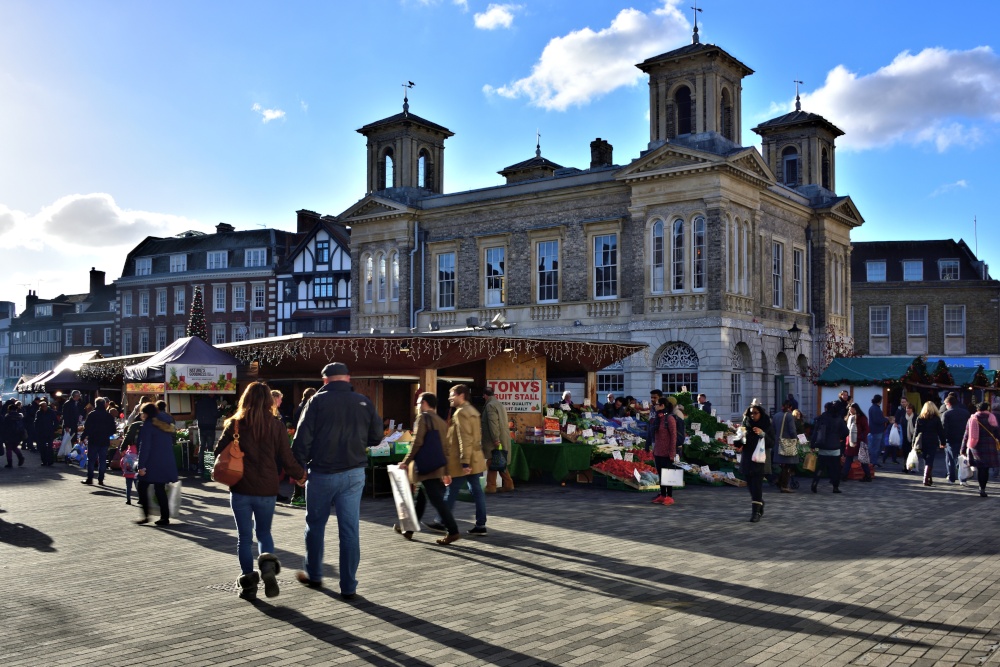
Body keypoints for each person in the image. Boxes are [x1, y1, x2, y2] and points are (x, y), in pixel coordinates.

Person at [291, 362, 382, 597]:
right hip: (354, 473)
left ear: (324, 380)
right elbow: (377, 437)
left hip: (322, 473)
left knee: (315, 526)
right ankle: (349, 586)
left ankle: (314, 574)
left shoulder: (316, 402)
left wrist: (299, 470)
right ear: (348, 378)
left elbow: (301, 441)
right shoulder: (364, 401)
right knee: (350, 531)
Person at [215, 382, 306, 601]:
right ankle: (267, 565)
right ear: (268, 400)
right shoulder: (276, 425)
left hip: (240, 488)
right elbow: (286, 456)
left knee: (244, 538)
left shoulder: (235, 424)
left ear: (245, 399)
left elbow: (218, 453)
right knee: (264, 533)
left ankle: (248, 583)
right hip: (267, 488)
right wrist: (300, 475)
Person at [395, 392, 460, 544]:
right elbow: (446, 448)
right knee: (421, 499)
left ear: (424, 403)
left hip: (425, 467)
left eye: (418, 403)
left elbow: (417, 442)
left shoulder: (423, 418)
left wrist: (406, 461)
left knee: (437, 501)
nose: (416, 406)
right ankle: (409, 529)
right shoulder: (441, 421)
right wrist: (446, 470)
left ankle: (453, 531)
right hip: (436, 466)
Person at [434, 384, 488, 536]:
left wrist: (465, 462)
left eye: (452, 395)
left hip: (463, 460)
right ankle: (481, 525)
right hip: (475, 458)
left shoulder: (461, 413)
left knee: (452, 490)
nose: (449, 398)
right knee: (477, 491)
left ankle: (441, 521)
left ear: (461, 396)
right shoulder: (473, 411)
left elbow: (465, 439)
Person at [136, 402, 179, 526]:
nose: (141, 416)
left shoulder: (148, 425)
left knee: (142, 486)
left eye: (142, 413)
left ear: (146, 413)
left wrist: (141, 466)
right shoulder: (165, 423)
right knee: (159, 488)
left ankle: (145, 516)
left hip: (152, 462)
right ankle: (164, 517)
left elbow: (145, 447)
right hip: (165, 461)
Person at [740, 403, 773, 522]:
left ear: (761, 413)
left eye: (755, 413)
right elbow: (739, 443)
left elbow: (771, 443)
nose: (752, 415)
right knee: (750, 486)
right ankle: (760, 502)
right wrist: (739, 436)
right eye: (751, 413)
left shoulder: (767, 425)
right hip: (748, 458)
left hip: (760, 459)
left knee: (757, 486)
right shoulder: (745, 424)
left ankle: (755, 512)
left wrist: (762, 434)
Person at [961, 402, 1000, 498]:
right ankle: (983, 487)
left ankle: (980, 488)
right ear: (987, 408)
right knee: (986, 469)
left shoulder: (972, 418)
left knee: (980, 468)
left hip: (975, 446)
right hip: (989, 446)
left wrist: (963, 449)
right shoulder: (992, 418)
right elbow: (997, 434)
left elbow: (966, 434)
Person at [481, 386, 515, 493]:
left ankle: (491, 486)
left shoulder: (490, 406)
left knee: (492, 461)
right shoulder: (499, 404)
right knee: (499, 460)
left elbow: (493, 424)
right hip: (502, 436)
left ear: (485, 395)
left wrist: (496, 439)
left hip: (493, 439)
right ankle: (508, 484)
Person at [811, 402, 849, 494]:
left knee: (820, 467)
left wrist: (812, 444)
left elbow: (815, 432)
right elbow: (846, 431)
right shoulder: (838, 419)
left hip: (823, 446)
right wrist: (840, 437)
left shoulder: (821, 418)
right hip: (835, 447)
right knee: (835, 469)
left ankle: (815, 482)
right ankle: (835, 487)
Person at [81, 397, 117, 486]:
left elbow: (87, 428)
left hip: (93, 440)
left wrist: (83, 437)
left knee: (91, 460)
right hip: (104, 440)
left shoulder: (92, 414)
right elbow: (113, 429)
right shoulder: (108, 416)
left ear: (96, 404)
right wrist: (107, 434)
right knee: (103, 460)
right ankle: (101, 479)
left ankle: (90, 478)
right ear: (104, 404)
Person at [651, 397, 678, 505]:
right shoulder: (658, 418)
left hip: (667, 451)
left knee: (668, 474)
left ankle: (669, 496)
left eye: (657, 404)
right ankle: (662, 495)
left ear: (662, 405)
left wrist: (672, 452)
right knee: (661, 474)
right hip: (658, 451)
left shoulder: (670, 419)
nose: (655, 406)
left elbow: (674, 436)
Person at [912, 401, 945, 486]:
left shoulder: (920, 418)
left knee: (926, 459)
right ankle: (926, 479)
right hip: (933, 440)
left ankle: (928, 478)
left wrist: (913, 443)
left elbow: (916, 432)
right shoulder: (936, 419)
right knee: (930, 460)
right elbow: (940, 431)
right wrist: (943, 442)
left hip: (922, 441)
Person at [941, 394, 970, 484]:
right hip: (963, 439)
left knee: (951, 460)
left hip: (951, 439)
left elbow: (944, 428)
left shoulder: (947, 414)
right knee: (961, 458)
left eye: (945, 404)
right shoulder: (965, 412)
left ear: (949, 404)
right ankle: (963, 479)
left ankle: (952, 478)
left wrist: (942, 441)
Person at [772, 402, 800, 492]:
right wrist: (796, 439)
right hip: (787, 443)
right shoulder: (789, 416)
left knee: (783, 465)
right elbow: (792, 430)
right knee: (787, 465)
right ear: (790, 407)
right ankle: (784, 485)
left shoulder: (776, 416)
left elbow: (773, 429)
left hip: (778, 442)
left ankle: (779, 481)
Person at [842, 402, 871, 483]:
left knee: (862, 459)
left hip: (860, 441)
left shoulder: (862, 418)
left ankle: (868, 475)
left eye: (852, 409)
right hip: (850, 441)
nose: (851, 410)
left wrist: (860, 437)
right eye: (850, 409)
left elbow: (866, 429)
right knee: (849, 458)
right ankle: (844, 475)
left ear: (856, 409)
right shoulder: (849, 417)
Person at [120, 412, 143, 505]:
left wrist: (123, 468)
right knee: (138, 484)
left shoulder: (128, 451)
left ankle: (128, 499)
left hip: (127, 471)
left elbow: (122, 461)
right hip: (136, 468)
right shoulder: (138, 450)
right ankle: (141, 498)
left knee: (128, 486)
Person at [194, 394, 220, 473]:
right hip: (210, 427)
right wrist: (221, 411)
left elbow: (196, 414)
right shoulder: (212, 402)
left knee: (202, 447)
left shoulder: (199, 402)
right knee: (210, 447)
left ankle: (200, 468)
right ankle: (209, 468)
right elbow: (215, 414)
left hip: (201, 426)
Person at [59, 390, 85, 459]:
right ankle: (67, 456)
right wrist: (66, 426)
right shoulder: (67, 404)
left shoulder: (78, 403)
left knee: (73, 440)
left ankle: (71, 455)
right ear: (75, 396)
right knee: (68, 441)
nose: (79, 397)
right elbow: (65, 415)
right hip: (69, 425)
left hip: (75, 425)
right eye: (79, 395)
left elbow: (80, 413)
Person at [34, 400, 59, 466]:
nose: (45, 407)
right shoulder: (39, 412)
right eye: (43, 406)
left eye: (45, 406)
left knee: (50, 447)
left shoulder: (51, 412)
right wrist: (37, 429)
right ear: (41, 407)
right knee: (43, 447)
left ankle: (50, 461)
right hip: (41, 432)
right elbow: (36, 422)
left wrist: (54, 428)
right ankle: (44, 461)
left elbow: (56, 421)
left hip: (49, 431)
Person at [867, 395, 887, 468]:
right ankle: (873, 462)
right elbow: (877, 420)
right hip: (877, 430)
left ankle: (874, 461)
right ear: (879, 400)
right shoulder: (875, 409)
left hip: (876, 430)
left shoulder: (873, 408)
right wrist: (886, 419)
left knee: (878, 446)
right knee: (876, 447)